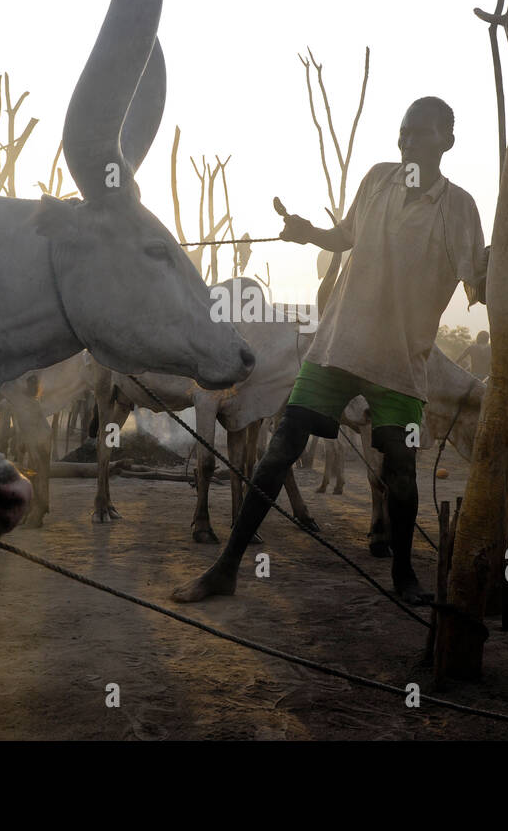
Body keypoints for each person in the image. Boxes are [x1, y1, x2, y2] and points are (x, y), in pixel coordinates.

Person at [172, 96, 489, 605]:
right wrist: (306, 233)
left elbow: (482, 281)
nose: (406, 142)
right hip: (338, 344)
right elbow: (343, 236)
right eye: (403, 132)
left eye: (419, 134)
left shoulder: (460, 209)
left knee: (402, 469)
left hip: (403, 364)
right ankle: (227, 565)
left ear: (447, 141)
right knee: (281, 449)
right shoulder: (377, 180)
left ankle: (405, 574)